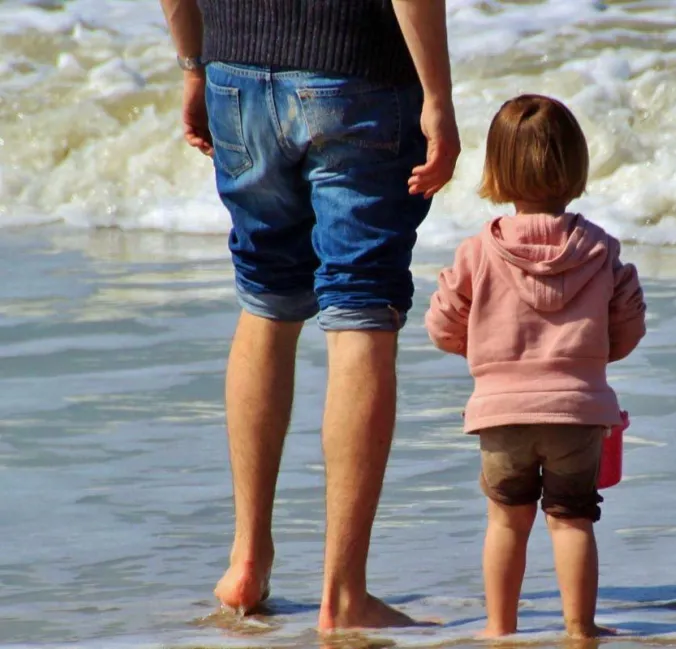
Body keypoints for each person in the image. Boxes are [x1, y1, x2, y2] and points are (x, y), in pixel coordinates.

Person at [157, 0, 460, 629]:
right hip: (356, 70)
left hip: (234, 68)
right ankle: (344, 594)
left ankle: (246, 561)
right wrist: (437, 96)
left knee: (266, 297)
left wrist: (193, 65)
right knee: (360, 307)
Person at [424, 94, 646, 638]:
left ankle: (499, 627)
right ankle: (580, 628)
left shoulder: (478, 251)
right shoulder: (600, 249)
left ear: (495, 169)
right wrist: (589, 361)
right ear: (576, 166)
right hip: (578, 410)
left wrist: (488, 358)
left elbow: (441, 324)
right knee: (572, 521)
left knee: (506, 520)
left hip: (500, 414)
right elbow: (627, 329)